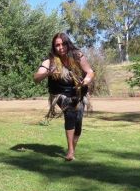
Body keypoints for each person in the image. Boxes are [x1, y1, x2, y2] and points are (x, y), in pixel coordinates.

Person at [33, 32, 94, 161]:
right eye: (57, 45)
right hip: (59, 95)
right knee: (70, 112)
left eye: (63, 44)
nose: (61, 48)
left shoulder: (78, 56)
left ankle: (72, 148)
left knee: (78, 121)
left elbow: (90, 72)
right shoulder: (50, 61)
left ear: (68, 44)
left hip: (78, 93)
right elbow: (36, 78)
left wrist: (86, 80)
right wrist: (48, 73)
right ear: (54, 47)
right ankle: (70, 152)